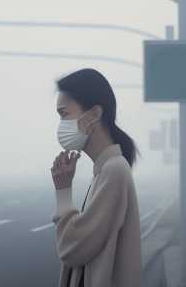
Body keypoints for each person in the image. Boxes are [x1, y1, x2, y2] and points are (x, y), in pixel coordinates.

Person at [50, 68, 141, 287]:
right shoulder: (105, 170)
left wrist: (63, 192)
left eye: (64, 114)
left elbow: (72, 248)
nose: (61, 125)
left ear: (93, 115)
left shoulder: (114, 171)